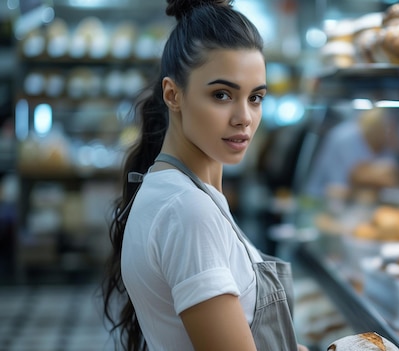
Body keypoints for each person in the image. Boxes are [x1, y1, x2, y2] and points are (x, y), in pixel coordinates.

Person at [100, 0, 309, 350]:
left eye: (255, 97)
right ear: (173, 94)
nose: (244, 117)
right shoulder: (188, 212)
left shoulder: (176, 192)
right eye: (222, 94)